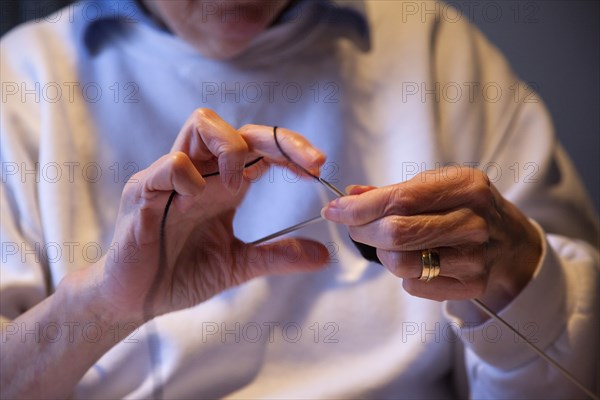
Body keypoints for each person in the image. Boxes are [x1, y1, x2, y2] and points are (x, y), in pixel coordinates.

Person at [1, 0, 598, 398]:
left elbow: (575, 374)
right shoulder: (21, 80)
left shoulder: (432, 44)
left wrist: (518, 275)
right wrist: (106, 306)